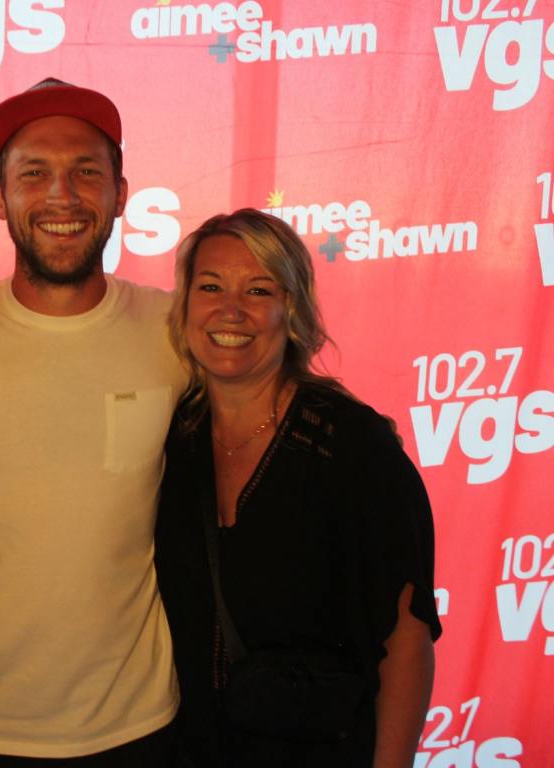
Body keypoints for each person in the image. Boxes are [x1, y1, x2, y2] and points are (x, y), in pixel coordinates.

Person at [0, 79, 188, 765]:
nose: (62, 196)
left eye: (86, 172)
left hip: (142, 725)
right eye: (33, 173)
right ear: (0, 199)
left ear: (121, 194)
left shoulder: (177, 333)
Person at [155, 208, 442, 767]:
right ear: (185, 304)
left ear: (292, 310)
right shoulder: (172, 437)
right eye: (210, 286)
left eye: (259, 289)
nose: (230, 310)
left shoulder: (351, 446)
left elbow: (407, 636)